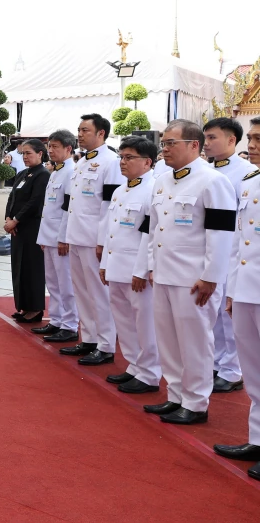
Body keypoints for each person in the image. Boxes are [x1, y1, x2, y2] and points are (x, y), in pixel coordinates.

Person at [136, 119, 236, 424]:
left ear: (194, 145)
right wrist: (151, 266)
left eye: (170, 143)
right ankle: (176, 395)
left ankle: (195, 403)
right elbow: (154, 230)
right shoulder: (163, 181)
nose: (164, 149)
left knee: (195, 342)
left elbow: (221, 235)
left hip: (194, 279)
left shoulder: (212, 181)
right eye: (163, 143)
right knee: (168, 339)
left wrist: (211, 277)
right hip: (164, 274)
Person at [214, 116, 260, 479]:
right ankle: (257, 438)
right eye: (254, 138)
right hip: (246, 287)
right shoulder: (250, 183)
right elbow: (237, 242)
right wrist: (231, 286)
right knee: (255, 372)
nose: (254, 145)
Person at [99, 136, 162, 394]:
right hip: (116, 265)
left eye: (129, 158)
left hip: (136, 270)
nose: (123, 162)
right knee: (123, 319)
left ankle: (149, 374)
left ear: (147, 162)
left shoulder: (153, 190)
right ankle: (134, 366)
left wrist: (141, 269)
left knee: (144, 323)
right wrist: (105, 263)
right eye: (121, 157)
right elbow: (110, 231)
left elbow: (150, 235)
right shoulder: (120, 190)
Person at [59, 114, 122, 365]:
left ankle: (106, 345)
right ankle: (89, 338)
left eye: (85, 130)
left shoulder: (111, 162)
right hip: (77, 236)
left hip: (94, 238)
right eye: (79, 129)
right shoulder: (82, 162)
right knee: (82, 291)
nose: (80, 134)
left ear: (101, 134)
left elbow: (109, 205)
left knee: (99, 293)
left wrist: (103, 240)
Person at [204, 117, 256, 393]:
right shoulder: (205, 171)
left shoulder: (245, 173)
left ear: (232, 141)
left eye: (213, 138)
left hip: (237, 254)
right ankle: (216, 362)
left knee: (228, 314)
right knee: (212, 313)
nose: (207, 143)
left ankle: (232, 369)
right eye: (206, 138)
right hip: (212, 251)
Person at [35, 130, 79, 342]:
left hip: (61, 237)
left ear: (69, 149)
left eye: (55, 147)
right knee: (52, 282)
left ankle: (70, 325)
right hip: (49, 235)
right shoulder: (55, 172)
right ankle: (56, 320)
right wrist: (44, 237)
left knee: (66, 283)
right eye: (49, 147)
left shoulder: (72, 172)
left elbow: (68, 208)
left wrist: (64, 237)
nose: (50, 151)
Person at [4, 139, 50, 322]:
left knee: (32, 268)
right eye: (23, 153)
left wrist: (16, 220)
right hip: (17, 229)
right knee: (19, 267)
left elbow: (35, 201)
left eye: (29, 153)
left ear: (40, 154)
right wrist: (8, 218)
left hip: (32, 228)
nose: (25, 157)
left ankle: (35, 308)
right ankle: (23, 305)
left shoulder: (43, 175)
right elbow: (12, 198)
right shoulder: (23, 174)